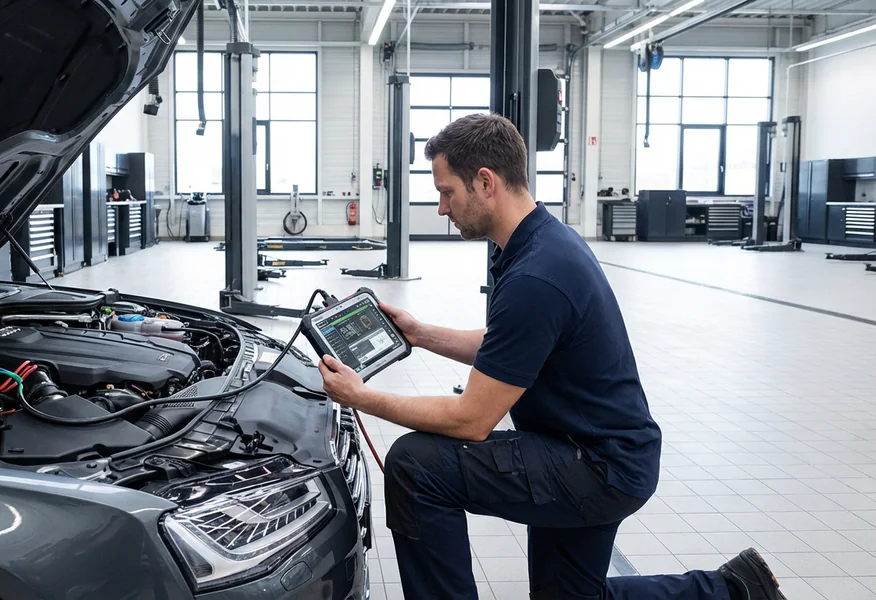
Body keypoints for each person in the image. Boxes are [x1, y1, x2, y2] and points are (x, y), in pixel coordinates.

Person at [316, 113, 785, 600]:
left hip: (596, 466)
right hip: (606, 450)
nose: (440, 208)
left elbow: (471, 419)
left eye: (447, 192)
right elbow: (511, 347)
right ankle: (734, 589)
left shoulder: (537, 275)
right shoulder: (536, 243)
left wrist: (362, 397)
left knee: (416, 464)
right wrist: (420, 334)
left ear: (485, 182)